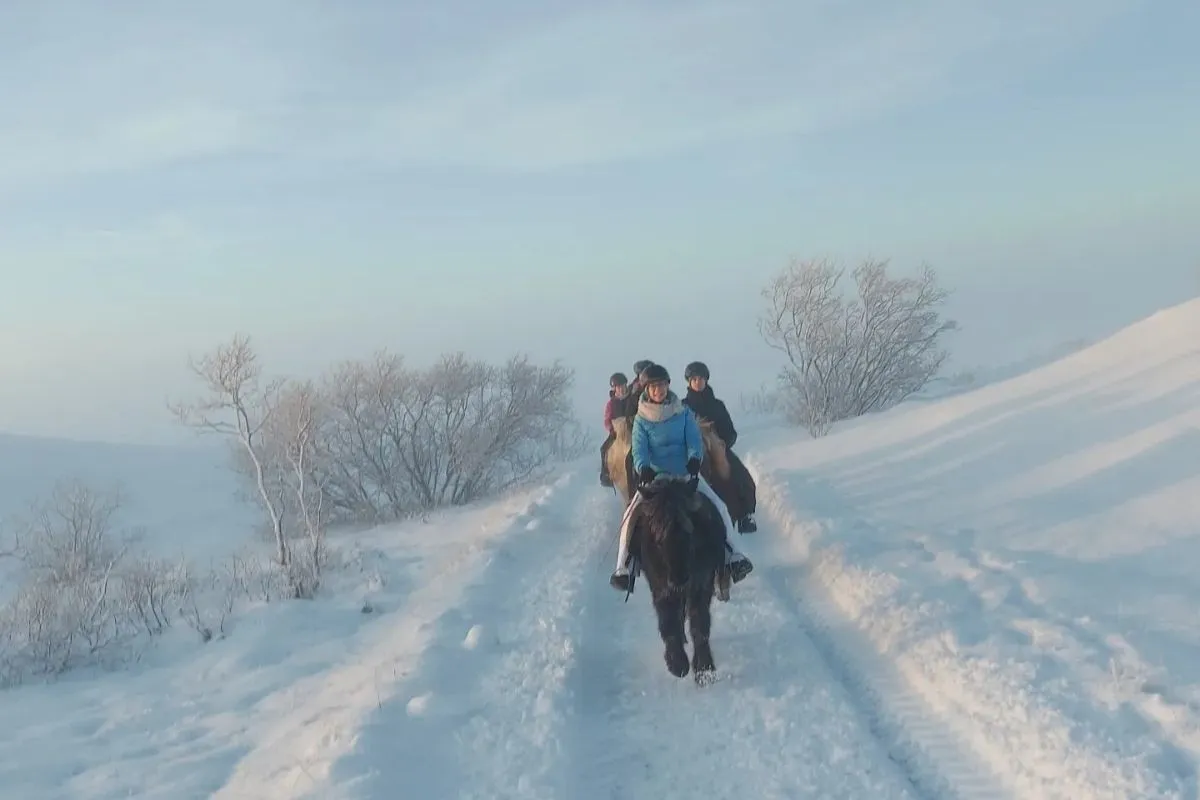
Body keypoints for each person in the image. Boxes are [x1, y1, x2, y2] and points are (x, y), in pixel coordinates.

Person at [610, 363, 753, 593]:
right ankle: (623, 568)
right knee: (630, 515)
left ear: (668, 386)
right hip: (655, 478)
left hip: (684, 474)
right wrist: (643, 467)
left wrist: (695, 459)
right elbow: (639, 448)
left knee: (719, 507)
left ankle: (733, 556)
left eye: (662, 386)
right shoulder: (641, 419)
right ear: (647, 389)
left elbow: (694, 439)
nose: (659, 391)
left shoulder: (682, 412)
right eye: (654, 387)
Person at [682, 361, 757, 532]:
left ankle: (745, 515)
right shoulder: (683, 407)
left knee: (741, 475)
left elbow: (730, 431)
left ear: (706, 380)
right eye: (694, 379)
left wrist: (724, 442)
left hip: (718, 449)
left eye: (701, 378)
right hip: (692, 451)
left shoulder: (717, 405)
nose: (698, 382)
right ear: (689, 382)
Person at [599, 372, 628, 487]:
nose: (621, 389)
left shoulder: (631, 399)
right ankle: (606, 475)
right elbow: (607, 419)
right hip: (617, 431)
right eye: (618, 387)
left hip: (631, 429)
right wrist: (611, 429)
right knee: (604, 449)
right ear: (614, 389)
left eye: (622, 386)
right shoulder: (611, 403)